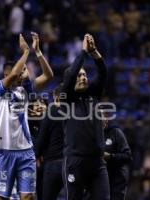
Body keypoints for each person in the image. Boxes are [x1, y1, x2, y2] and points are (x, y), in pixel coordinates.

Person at [0, 32, 53, 200]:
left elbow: (48, 76)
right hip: (4, 152)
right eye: (20, 71)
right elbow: (12, 76)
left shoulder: (25, 91)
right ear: (6, 75)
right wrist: (25, 52)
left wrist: (37, 51)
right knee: (2, 198)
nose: (22, 73)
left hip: (26, 152)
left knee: (28, 197)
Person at [61, 33, 109, 200]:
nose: (83, 77)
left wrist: (94, 51)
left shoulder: (93, 94)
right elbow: (71, 73)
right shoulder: (66, 98)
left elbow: (103, 72)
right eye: (79, 76)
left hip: (97, 162)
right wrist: (83, 52)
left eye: (85, 75)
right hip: (75, 160)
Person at [35, 84, 64, 200]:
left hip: (53, 163)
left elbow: (42, 139)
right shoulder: (76, 112)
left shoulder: (51, 112)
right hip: (72, 163)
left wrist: (37, 154)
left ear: (56, 97)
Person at [103, 113, 132, 200]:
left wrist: (111, 156)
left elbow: (128, 156)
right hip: (98, 179)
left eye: (103, 117)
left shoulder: (116, 133)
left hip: (116, 179)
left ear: (107, 119)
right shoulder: (91, 134)